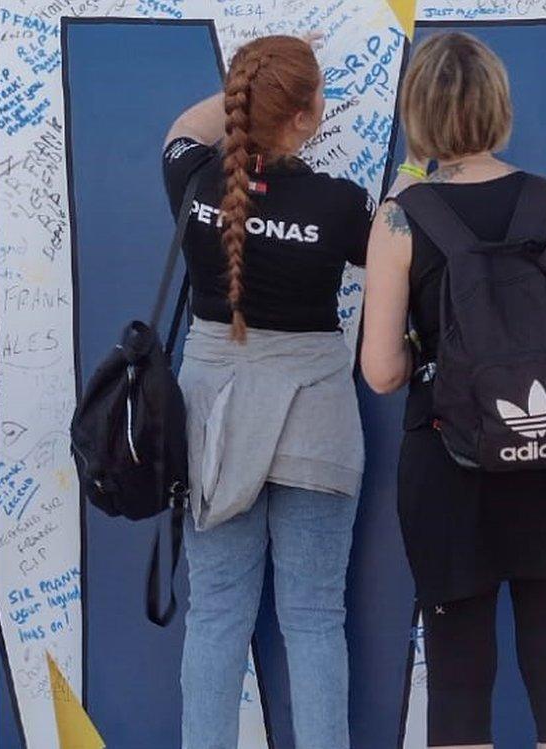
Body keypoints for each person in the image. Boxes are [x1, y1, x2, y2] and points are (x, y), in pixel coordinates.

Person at [361, 32, 546, 749]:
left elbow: (380, 371)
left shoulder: (403, 218)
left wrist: (431, 346)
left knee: (460, 679)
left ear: (419, 115)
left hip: (450, 468)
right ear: (499, 106)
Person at [161, 34, 371, 749]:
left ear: (239, 104)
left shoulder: (195, 183)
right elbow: (400, 260)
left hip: (213, 418)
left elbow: (183, 131)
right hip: (316, 415)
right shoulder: (344, 205)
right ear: (307, 118)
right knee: (314, 617)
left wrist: (244, 92)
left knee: (217, 614)